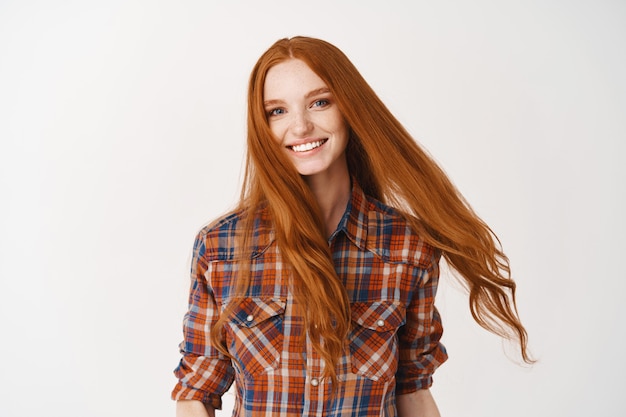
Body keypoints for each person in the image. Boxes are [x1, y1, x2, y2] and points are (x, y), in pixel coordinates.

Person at [172, 36, 533, 417]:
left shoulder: (408, 247)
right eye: (277, 111)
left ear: (349, 108)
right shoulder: (221, 247)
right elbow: (197, 391)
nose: (300, 126)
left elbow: (412, 390)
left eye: (319, 102)